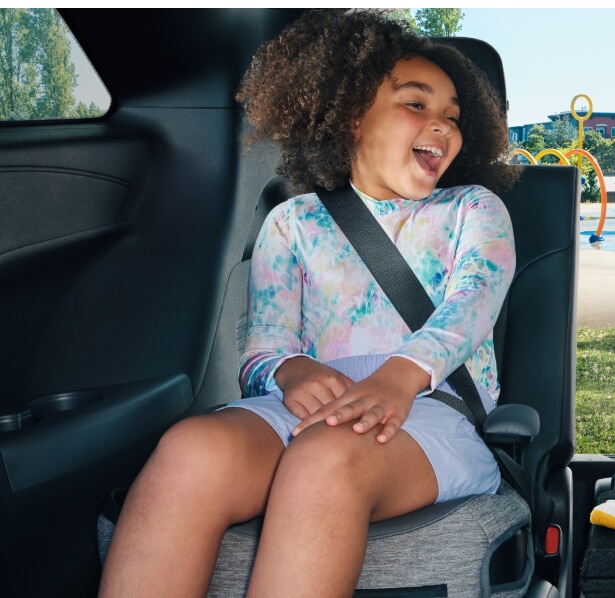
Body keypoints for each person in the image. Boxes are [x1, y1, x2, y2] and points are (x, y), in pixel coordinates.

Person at [100, 10, 520, 596]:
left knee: (325, 459)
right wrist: (291, 370)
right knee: (188, 450)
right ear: (352, 116)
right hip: (305, 411)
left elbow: (472, 304)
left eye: (452, 115)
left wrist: (399, 378)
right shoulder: (292, 222)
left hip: (429, 412)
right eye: (416, 104)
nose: (442, 126)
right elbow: (264, 350)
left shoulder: (473, 209)